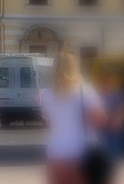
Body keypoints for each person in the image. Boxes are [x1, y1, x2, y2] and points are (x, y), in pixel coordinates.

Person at [41, 50, 108, 184]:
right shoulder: (86, 91)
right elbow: (101, 120)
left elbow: (50, 124)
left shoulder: (47, 95)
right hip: (82, 152)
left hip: (56, 153)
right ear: (76, 68)